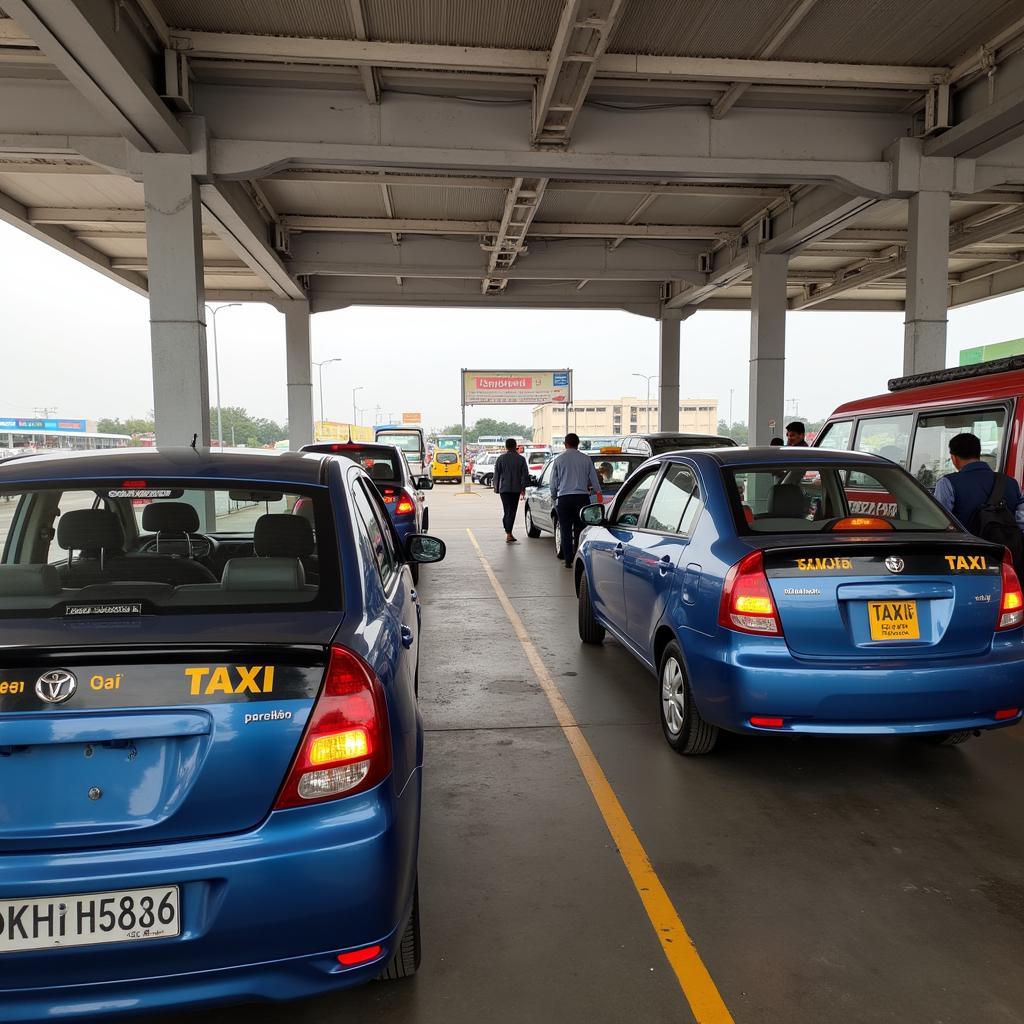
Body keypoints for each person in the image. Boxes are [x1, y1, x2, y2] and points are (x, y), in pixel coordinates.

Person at [934, 432, 1024, 534]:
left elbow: (939, 523)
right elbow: (1021, 522)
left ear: (954, 458)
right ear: (978, 453)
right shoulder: (1011, 482)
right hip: (1007, 548)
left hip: (966, 548)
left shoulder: (947, 483)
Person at [551, 432, 602, 568]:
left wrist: (554, 496)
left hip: (564, 499)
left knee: (565, 530)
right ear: (578, 444)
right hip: (581, 498)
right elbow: (594, 478)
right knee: (581, 529)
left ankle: (568, 560)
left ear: (565, 444)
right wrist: (598, 493)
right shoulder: (586, 459)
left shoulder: (559, 459)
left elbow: (553, 482)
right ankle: (580, 559)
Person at [492, 437, 529, 543]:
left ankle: (507, 528)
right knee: (512, 511)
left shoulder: (501, 459)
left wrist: (496, 488)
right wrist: (523, 488)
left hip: (504, 489)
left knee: (507, 510)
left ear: (506, 447)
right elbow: (525, 476)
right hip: (516, 490)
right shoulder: (521, 459)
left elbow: (496, 475)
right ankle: (509, 533)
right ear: (515, 446)